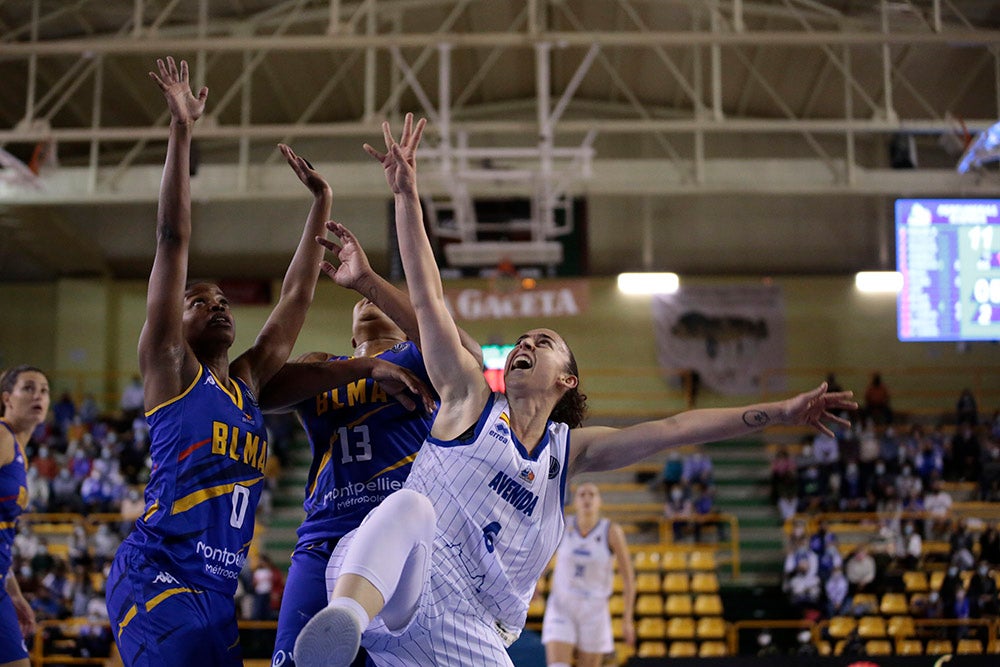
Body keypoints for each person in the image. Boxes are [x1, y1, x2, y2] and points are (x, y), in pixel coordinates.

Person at [292, 113, 857, 667]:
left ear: (567, 378)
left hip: (473, 633)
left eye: (544, 340)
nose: (526, 342)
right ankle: (343, 620)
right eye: (522, 338)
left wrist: (782, 411)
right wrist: (406, 196)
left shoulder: (568, 453)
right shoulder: (468, 400)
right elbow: (429, 297)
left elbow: (677, 428)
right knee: (408, 505)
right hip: (398, 586)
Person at [104, 58, 432, 667]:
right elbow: (172, 239)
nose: (218, 306)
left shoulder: (248, 383)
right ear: (174, 321)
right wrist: (181, 131)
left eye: (224, 299)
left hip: (215, 592)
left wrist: (322, 203)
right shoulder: (170, 366)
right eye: (200, 302)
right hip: (158, 576)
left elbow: (297, 297)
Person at [263, 221, 481, 667]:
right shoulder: (325, 365)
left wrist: (372, 284)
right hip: (324, 534)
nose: (365, 303)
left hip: (399, 537)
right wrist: (365, 370)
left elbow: (469, 355)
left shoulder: (420, 359)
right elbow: (264, 392)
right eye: (359, 301)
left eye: (374, 300)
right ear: (349, 338)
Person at [541, 483, 635, 667]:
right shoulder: (563, 525)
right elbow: (543, 560)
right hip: (562, 605)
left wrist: (627, 619)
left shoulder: (611, 531)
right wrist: (536, 583)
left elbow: (628, 579)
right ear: (575, 501)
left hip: (594, 610)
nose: (587, 499)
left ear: (599, 501)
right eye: (582, 494)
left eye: (592, 494)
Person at [0, 365, 49, 667]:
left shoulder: (20, 451)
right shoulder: (2, 436)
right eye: (28, 388)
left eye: (44, 390)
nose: (38, 395)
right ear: (7, 398)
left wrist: (16, 595)